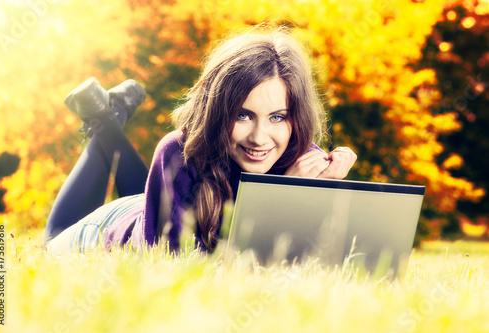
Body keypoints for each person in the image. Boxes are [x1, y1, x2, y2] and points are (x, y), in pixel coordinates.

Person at [44, 26, 357, 255]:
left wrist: (324, 190)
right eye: (243, 115)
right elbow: (184, 266)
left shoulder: (300, 160)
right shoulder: (177, 152)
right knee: (51, 240)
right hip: (108, 229)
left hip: (157, 206)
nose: (260, 138)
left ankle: (108, 118)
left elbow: (307, 257)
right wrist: (284, 195)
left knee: (165, 191)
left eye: (278, 117)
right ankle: (105, 121)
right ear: (218, 110)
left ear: (296, 118)